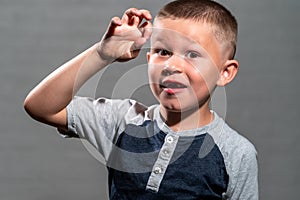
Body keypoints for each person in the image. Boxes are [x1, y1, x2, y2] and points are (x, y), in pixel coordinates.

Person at [24, 0, 258, 199]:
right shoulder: (123, 121)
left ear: (224, 72)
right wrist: (102, 54)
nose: (171, 66)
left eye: (193, 54)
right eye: (163, 52)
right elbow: (40, 107)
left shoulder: (236, 153)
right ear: (148, 59)